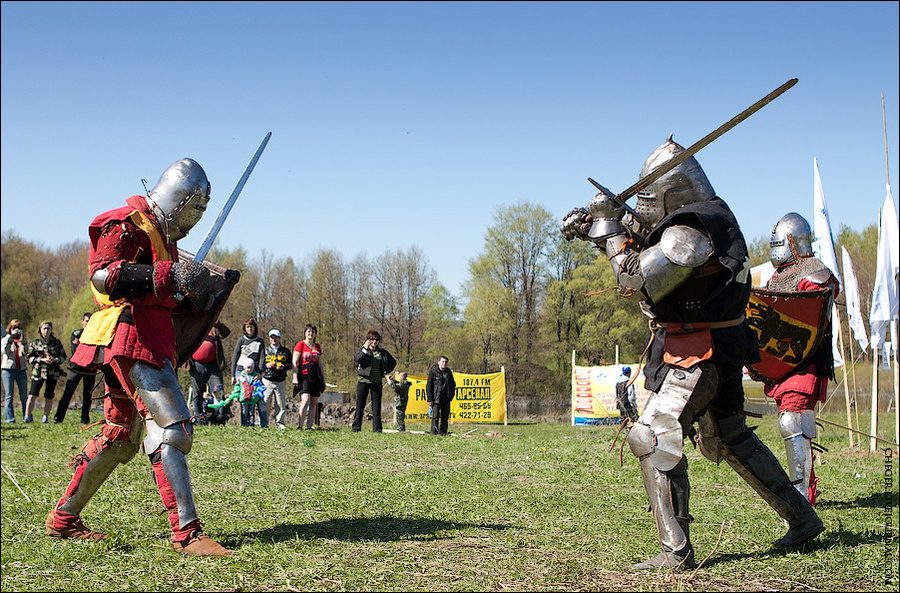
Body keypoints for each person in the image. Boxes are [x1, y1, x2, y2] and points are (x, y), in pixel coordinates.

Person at [561, 135, 823, 570]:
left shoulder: (690, 231)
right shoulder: (709, 221)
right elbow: (648, 244)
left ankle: (675, 550)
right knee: (731, 437)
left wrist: (608, 227)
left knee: (652, 433)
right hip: (717, 348)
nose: (644, 204)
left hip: (697, 354)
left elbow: (636, 281)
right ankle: (802, 519)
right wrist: (598, 226)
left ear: (671, 189)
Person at [44, 157, 232, 556]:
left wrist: (194, 291)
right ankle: (187, 534)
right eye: (196, 206)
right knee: (172, 429)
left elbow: (166, 293)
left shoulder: (165, 238)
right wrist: (168, 276)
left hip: (150, 335)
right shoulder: (129, 221)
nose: (199, 216)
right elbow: (104, 274)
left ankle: (64, 519)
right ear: (179, 199)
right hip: (133, 336)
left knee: (119, 436)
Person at [764, 213, 840, 506]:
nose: (776, 247)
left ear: (793, 242)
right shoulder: (777, 277)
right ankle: (806, 491)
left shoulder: (813, 270)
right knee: (796, 422)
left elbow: (828, 292)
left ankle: (802, 497)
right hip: (784, 365)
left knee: (792, 421)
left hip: (806, 361)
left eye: (779, 242)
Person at [54, 313, 100, 424]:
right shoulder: (77, 334)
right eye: (87, 321)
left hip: (90, 369)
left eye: (90, 321)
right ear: (82, 321)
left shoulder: (97, 335)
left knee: (87, 395)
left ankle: (85, 419)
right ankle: (58, 417)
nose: (88, 323)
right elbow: (76, 351)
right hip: (77, 368)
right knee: (68, 392)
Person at [351, 330, 396, 433]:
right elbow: (358, 359)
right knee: (360, 406)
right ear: (368, 340)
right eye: (372, 339)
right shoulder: (362, 350)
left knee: (376, 407)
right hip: (363, 381)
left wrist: (384, 371)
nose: (374, 342)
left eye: (376, 340)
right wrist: (365, 349)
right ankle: (356, 428)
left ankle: (377, 429)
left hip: (377, 382)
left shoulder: (382, 352)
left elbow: (393, 362)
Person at [187, 321, 230, 424]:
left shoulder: (214, 329)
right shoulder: (194, 328)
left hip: (213, 366)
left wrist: (217, 324)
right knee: (198, 394)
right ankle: (199, 418)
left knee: (218, 391)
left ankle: (219, 416)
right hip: (196, 365)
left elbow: (226, 333)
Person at [25, 321, 66, 424]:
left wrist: (55, 360)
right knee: (32, 394)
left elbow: (63, 357)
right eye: (44, 328)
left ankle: (45, 417)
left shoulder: (56, 343)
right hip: (38, 373)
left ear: (51, 330)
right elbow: (29, 357)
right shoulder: (35, 343)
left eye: (48, 329)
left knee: (49, 395)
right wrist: (40, 360)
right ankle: (27, 416)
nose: (46, 331)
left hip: (52, 373)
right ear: (40, 329)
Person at [231, 317, 266, 427]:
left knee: (256, 398)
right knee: (243, 397)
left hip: (254, 372)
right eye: (248, 327)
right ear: (245, 329)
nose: (250, 329)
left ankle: (258, 423)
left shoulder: (259, 341)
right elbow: (235, 357)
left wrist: (260, 373)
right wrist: (233, 375)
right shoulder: (241, 341)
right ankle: (244, 423)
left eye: (251, 327)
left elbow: (262, 358)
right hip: (241, 371)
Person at [292, 324, 326, 429]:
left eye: (312, 332)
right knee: (305, 399)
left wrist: (323, 379)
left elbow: (320, 363)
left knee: (314, 402)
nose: (310, 334)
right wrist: (295, 376)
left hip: (315, 376)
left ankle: (309, 426)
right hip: (304, 375)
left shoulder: (317, 347)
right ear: (305, 333)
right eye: (308, 332)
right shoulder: (300, 345)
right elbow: (294, 361)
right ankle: (300, 425)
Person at [263, 328, 292, 429]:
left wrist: (283, 366)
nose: (274, 339)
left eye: (276, 337)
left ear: (279, 338)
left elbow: (291, 364)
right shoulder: (265, 350)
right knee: (265, 401)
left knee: (281, 403)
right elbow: (260, 364)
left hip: (281, 380)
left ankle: (280, 422)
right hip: (267, 379)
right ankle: (264, 422)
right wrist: (266, 365)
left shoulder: (286, 351)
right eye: (272, 337)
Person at [2, 319, 29, 423]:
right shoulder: (5, 339)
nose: (16, 331)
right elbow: (6, 352)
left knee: (24, 395)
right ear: (10, 329)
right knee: (9, 395)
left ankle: (26, 417)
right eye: (14, 328)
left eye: (19, 328)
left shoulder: (22, 340)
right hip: (8, 370)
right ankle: (9, 419)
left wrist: (24, 341)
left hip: (21, 369)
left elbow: (26, 352)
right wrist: (10, 339)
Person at [426, 356, 456, 436]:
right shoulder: (433, 371)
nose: (444, 363)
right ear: (438, 362)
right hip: (436, 398)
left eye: (446, 362)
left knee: (445, 417)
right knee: (435, 417)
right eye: (442, 362)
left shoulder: (449, 372)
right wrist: (430, 399)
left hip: (446, 398)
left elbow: (453, 385)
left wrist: (451, 396)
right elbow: (429, 385)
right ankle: (434, 432)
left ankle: (443, 433)